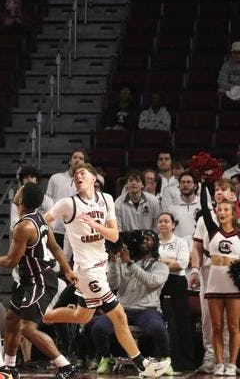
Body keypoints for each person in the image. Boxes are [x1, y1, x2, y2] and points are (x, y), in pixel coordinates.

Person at [42, 162, 171, 378]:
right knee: (119, 315)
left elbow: (113, 236)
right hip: (86, 270)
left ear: (94, 179)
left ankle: (45, 315)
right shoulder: (67, 203)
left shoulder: (106, 199)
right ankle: (143, 366)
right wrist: (47, 247)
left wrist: (94, 225)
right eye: (75, 175)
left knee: (82, 316)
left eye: (82, 173)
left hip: (101, 266)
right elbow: (42, 221)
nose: (77, 177)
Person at [0, 182, 78, 379]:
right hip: (27, 281)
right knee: (11, 320)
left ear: (20, 200)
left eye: (19, 190)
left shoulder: (23, 227)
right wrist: (67, 269)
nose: (17, 190)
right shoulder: (40, 219)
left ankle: (66, 366)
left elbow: (11, 261)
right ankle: (9, 367)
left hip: (40, 282)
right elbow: (55, 247)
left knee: (26, 328)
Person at [92, 230, 171, 374]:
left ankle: (166, 360)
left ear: (155, 244)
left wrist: (129, 263)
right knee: (98, 327)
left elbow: (151, 282)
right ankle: (106, 358)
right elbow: (113, 284)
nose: (145, 242)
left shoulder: (161, 266)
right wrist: (114, 261)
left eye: (149, 239)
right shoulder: (123, 263)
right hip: (122, 309)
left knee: (158, 328)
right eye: (143, 239)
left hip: (147, 310)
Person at [190, 178, 236, 374]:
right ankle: (211, 357)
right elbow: (197, 247)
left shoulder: (238, 220)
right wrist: (194, 269)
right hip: (209, 269)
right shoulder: (204, 219)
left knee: (232, 320)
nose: (219, 192)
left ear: (232, 195)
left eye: (223, 189)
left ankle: (228, 359)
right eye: (216, 189)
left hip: (234, 272)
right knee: (209, 318)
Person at [200, 199, 240, 376]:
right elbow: (204, 207)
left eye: (225, 209)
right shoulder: (213, 230)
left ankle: (231, 364)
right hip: (214, 283)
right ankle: (218, 363)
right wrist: (204, 182)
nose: (221, 212)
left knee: (234, 327)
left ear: (233, 213)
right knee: (216, 326)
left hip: (234, 285)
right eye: (219, 209)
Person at [157, 212, 194, 370]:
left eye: (166, 221)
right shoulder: (152, 243)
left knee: (181, 322)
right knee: (159, 321)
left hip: (177, 282)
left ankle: (186, 361)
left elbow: (182, 264)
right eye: (160, 221)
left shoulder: (181, 242)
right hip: (158, 283)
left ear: (173, 225)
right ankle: (159, 357)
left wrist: (160, 262)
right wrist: (169, 262)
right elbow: (146, 263)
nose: (163, 224)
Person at [45, 150, 88, 246]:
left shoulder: (86, 183)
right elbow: (47, 202)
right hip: (56, 230)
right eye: (75, 157)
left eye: (81, 158)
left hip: (77, 232)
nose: (77, 160)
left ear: (84, 163)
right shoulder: (56, 178)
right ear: (69, 161)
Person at [164, 171, 200, 246]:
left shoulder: (204, 206)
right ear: (179, 186)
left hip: (199, 248)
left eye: (188, 182)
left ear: (195, 185)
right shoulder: (171, 209)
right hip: (177, 248)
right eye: (182, 182)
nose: (185, 185)